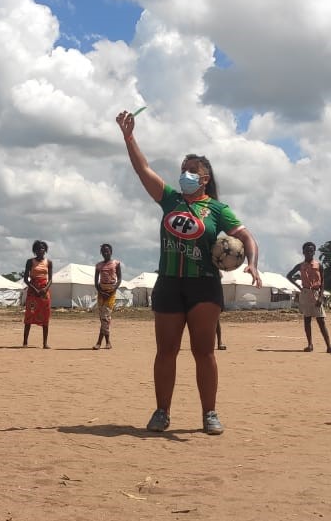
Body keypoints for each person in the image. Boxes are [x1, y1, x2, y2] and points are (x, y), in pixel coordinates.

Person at [117, 109, 261, 436]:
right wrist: (129, 138)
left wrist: (251, 262)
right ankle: (161, 412)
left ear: (205, 177)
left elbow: (246, 237)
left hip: (204, 287)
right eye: (183, 170)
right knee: (166, 351)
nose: (186, 175)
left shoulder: (218, 210)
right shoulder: (170, 200)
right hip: (169, 283)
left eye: (192, 171)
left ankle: (209, 413)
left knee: (204, 351)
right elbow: (143, 169)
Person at [287, 242, 331, 354]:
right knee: (307, 319)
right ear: (303, 252)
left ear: (314, 252)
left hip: (316, 293)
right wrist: (298, 286)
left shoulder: (319, 266)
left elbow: (323, 281)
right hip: (305, 292)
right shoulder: (300, 266)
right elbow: (289, 276)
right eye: (307, 251)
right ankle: (310, 345)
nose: (309, 252)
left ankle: (329, 346)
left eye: (311, 250)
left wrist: (320, 296)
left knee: (321, 320)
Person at [22, 240, 54, 348]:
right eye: (39, 248)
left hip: (44, 292)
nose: (41, 250)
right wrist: (35, 289)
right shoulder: (30, 262)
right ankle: (25, 342)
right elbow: (26, 279)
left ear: (45, 250)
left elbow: (50, 280)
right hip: (32, 291)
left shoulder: (48, 262)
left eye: (43, 248)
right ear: (35, 250)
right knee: (29, 315)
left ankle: (45, 343)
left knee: (45, 316)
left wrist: (45, 289)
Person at [92, 243, 121, 349]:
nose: (105, 252)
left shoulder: (116, 263)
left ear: (111, 252)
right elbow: (96, 282)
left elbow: (120, 279)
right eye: (103, 251)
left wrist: (112, 290)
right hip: (101, 293)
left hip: (111, 293)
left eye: (107, 251)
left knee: (105, 317)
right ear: (101, 253)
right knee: (103, 318)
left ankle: (99, 342)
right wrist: (101, 292)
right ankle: (108, 342)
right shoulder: (98, 265)